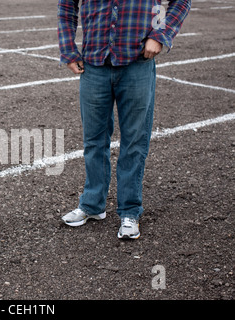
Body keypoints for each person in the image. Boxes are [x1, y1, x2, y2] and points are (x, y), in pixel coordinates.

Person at [58, 0, 191, 239]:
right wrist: (68, 50)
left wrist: (160, 34)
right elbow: (67, 6)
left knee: (134, 141)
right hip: (94, 64)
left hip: (137, 63)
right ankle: (92, 205)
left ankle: (130, 210)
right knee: (94, 140)